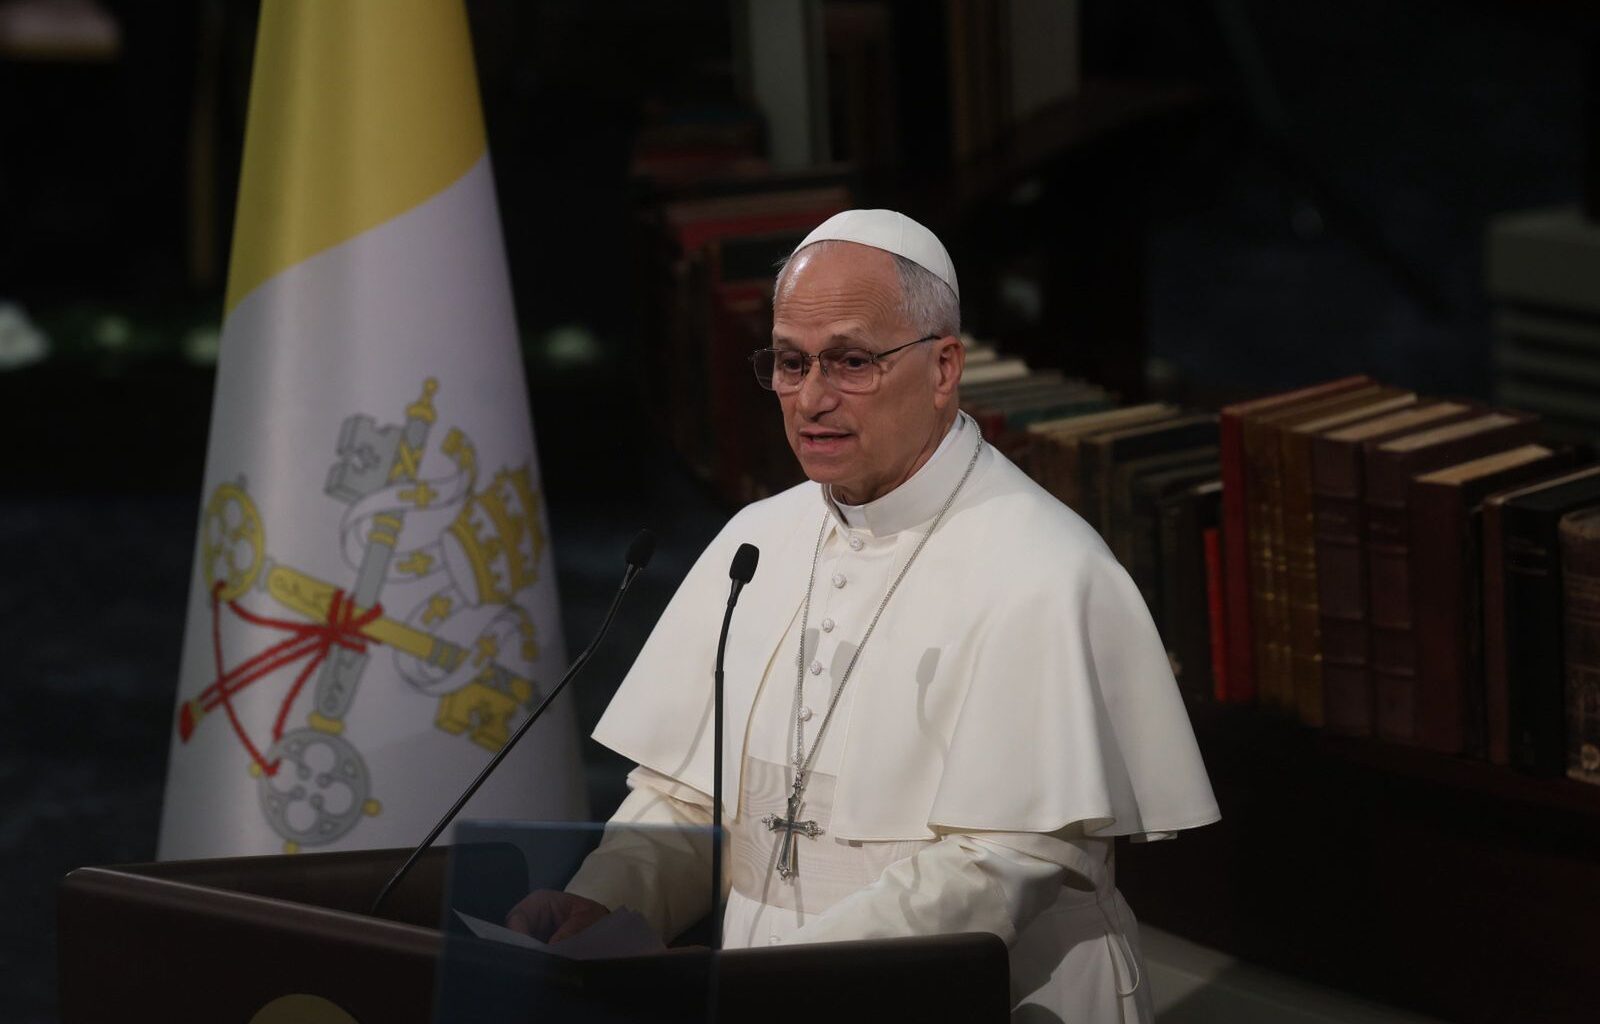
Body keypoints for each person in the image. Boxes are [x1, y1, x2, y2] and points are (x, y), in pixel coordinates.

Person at [507, 209, 1219, 1022]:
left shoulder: (1045, 571)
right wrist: (600, 904)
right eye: (789, 362)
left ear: (944, 366)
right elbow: (685, 797)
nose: (812, 398)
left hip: (992, 999)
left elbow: (996, 866)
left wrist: (774, 982)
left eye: (851, 361)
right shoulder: (757, 541)